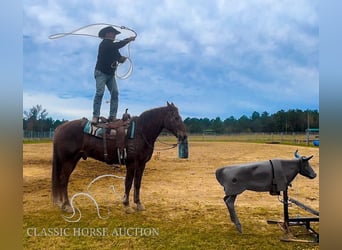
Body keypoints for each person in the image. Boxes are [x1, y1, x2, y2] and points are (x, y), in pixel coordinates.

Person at [92, 26, 135, 124]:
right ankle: (95, 116)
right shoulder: (104, 44)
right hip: (101, 73)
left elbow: (118, 57)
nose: (115, 35)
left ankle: (112, 116)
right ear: (107, 34)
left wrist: (121, 59)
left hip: (110, 75)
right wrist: (128, 40)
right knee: (100, 92)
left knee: (115, 93)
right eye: (113, 33)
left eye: (115, 34)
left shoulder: (113, 47)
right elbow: (117, 46)